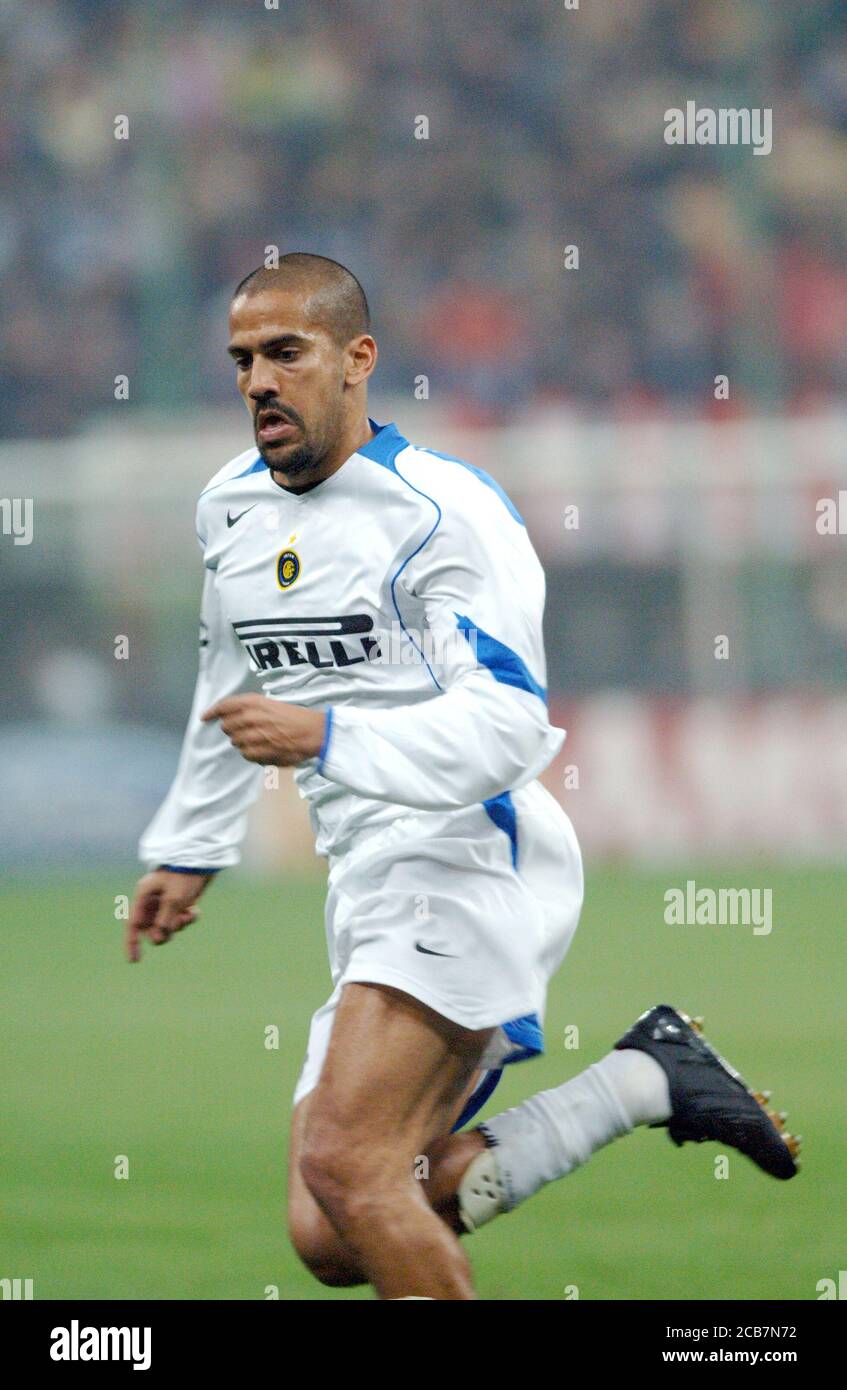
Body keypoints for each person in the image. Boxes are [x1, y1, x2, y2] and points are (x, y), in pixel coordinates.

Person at [128, 254, 799, 1301]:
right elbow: (232, 673)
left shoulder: (444, 513)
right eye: (242, 359)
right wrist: (192, 841)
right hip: (370, 878)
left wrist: (329, 739)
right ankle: (641, 1080)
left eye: (285, 353)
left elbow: (506, 725)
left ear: (358, 360)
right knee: (330, 1228)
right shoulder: (229, 509)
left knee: (350, 1166)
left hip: (466, 851)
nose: (258, 380)